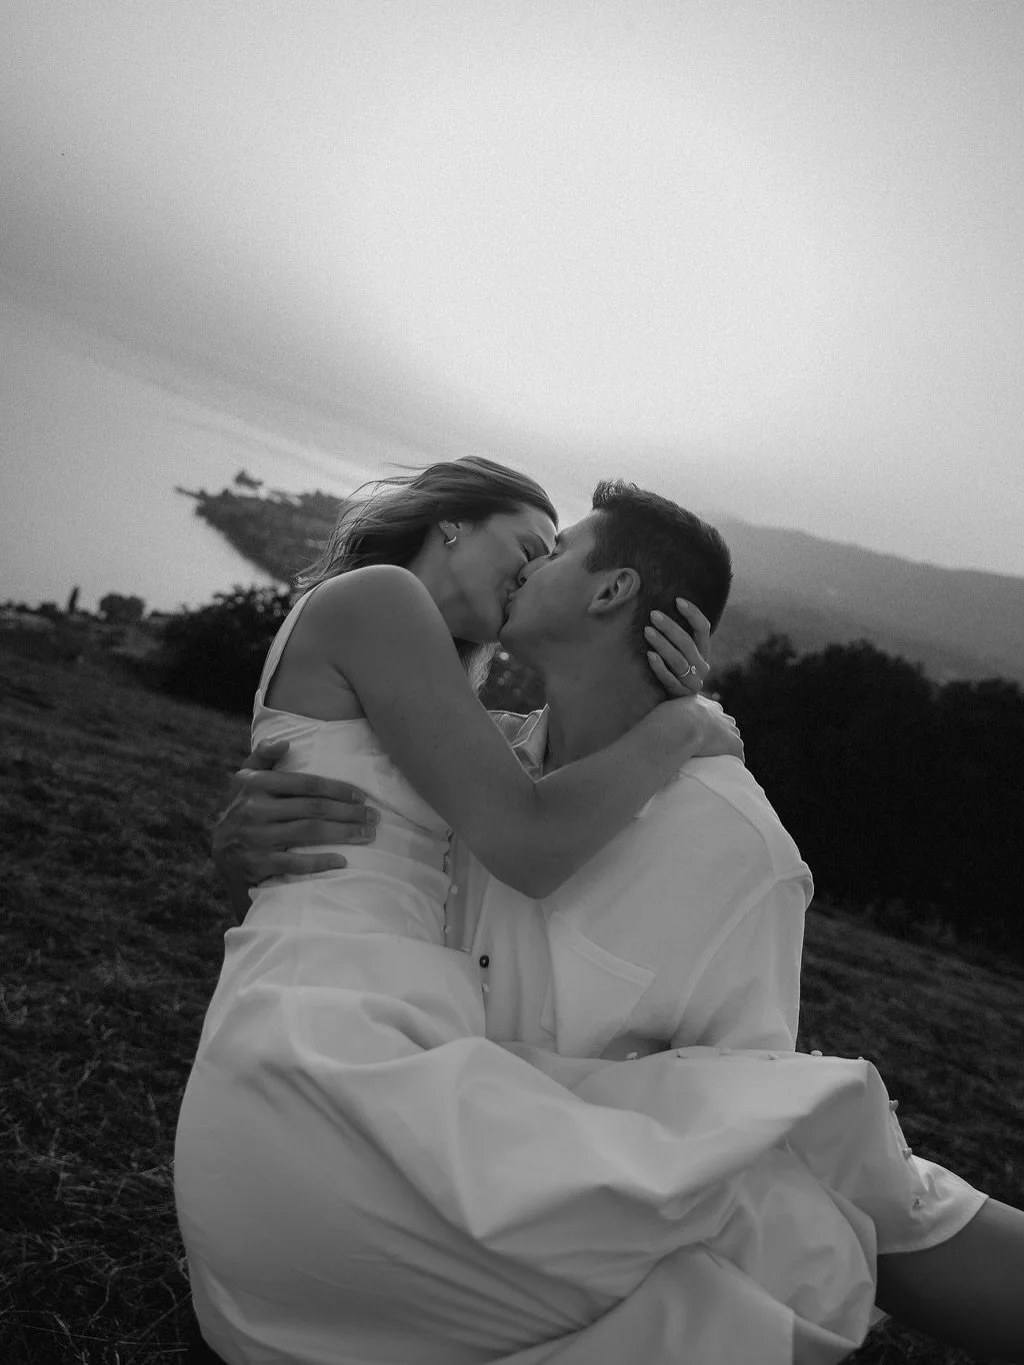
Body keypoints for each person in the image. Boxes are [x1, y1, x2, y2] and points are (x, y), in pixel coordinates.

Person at [178, 461, 1024, 1365]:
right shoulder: (447, 700)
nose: (529, 569)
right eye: (528, 544)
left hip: (420, 1101)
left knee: (791, 1183)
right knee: (786, 1213)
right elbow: (465, 850)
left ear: (612, 590)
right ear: (455, 527)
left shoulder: (732, 845)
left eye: (553, 551)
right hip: (351, 1082)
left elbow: (737, 1079)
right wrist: (684, 722)